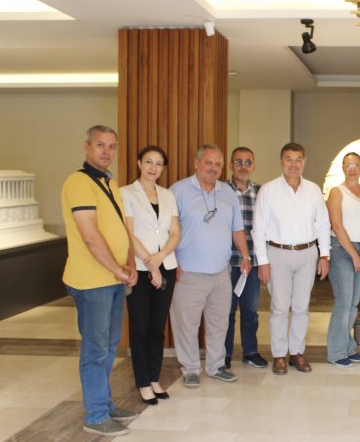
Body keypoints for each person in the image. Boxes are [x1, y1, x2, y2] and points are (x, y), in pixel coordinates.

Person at [61, 125, 138, 436]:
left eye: (112, 146)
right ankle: (95, 415)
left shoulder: (109, 182)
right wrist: (117, 269)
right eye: (100, 145)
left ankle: (104, 403)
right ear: (87, 147)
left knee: (108, 346)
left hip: (113, 279)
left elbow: (119, 229)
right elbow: (90, 235)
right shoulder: (79, 183)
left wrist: (128, 263)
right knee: (95, 349)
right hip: (92, 282)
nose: (107, 151)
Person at [169, 144, 251, 388]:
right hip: (188, 272)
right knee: (187, 325)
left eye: (218, 164)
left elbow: (237, 228)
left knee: (219, 323)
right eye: (208, 163)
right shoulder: (178, 191)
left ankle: (216, 366)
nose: (213, 168)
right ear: (196, 164)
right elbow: (167, 230)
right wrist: (171, 261)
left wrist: (245, 256)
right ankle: (190, 369)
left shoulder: (227, 193)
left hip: (221, 272)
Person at [252, 142, 331, 375]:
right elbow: (258, 229)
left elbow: (323, 225)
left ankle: (296, 352)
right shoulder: (268, 191)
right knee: (279, 307)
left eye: (298, 160)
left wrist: (324, 255)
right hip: (278, 253)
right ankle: (279, 355)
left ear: (304, 162)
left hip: (308, 253)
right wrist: (263, 261)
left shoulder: (313, 190)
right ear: (281, 162)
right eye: (289, 159)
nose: (294, 164)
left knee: (301, 307)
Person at [120, 146, 180, 406]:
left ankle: (154, 378)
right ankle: (143, 382)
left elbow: (175, 232)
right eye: (148, 162)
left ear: (163, 168)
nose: (153, 167)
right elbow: (128, 233)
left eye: (158, 163)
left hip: (165, 265)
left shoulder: (168, 195)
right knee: (140, 327)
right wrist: (150, 262)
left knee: (157, 327)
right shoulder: (126, 193)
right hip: (140, 269)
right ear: (139, 163)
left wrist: (160, 257)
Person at [325, 152, 360, 367]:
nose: (352, 168)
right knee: (343, 302)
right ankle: (336, 352)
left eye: (356, 164)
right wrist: (354, 256)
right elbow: (337, 226)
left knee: (353, 304)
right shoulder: (336, 192)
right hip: (342, 250)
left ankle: (348, 347)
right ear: (343, 168)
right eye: (348, 165)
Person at [223, 147, 268, 370]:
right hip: (226, 262)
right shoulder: (220, 191)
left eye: (248, 162)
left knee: (250, 311)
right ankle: (224, 354)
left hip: (252, 263)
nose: (243, 166)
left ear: (254, 166)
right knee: (226, 311)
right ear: (231, 165)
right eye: (238, 162)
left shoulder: (261, 193)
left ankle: (250, 352)